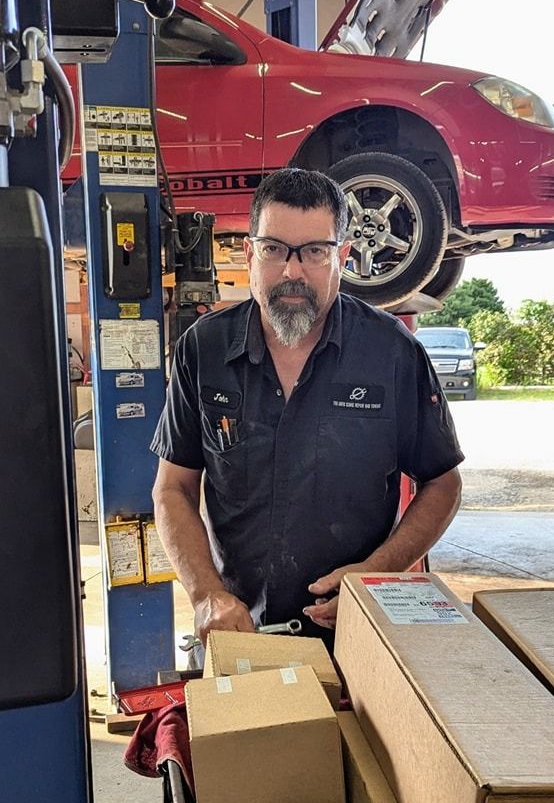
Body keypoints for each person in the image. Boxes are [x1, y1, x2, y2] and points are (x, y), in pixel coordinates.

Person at [151, 168, 463, 649]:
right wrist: (206, 593)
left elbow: (442, 482)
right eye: (275, 249)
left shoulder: (391, 352)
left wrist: (374, 577)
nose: (293, 271)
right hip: (241, 631)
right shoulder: (203, 349)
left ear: (341, 256)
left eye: (314, 252)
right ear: (250, 254)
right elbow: (173, 488)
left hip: (359, 633)